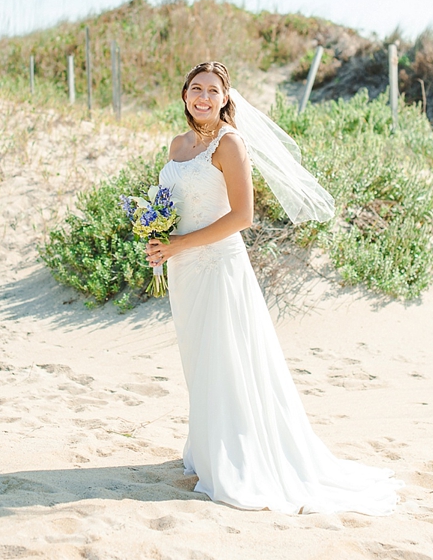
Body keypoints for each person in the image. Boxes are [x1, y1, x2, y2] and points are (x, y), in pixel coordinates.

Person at [147, 61, 402, 515]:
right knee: (198, 360)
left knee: (225, 357)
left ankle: (238, 456)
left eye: (212, 90)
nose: (203, 97)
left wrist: (181, 242)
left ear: (226, 98)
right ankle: (209, 448)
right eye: (195, 88)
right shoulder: (178, 144)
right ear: (184, 94)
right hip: (182, 269)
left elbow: (242, 217)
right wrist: (160, 239)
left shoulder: (230, 144)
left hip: (218, 267)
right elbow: (174, 204)